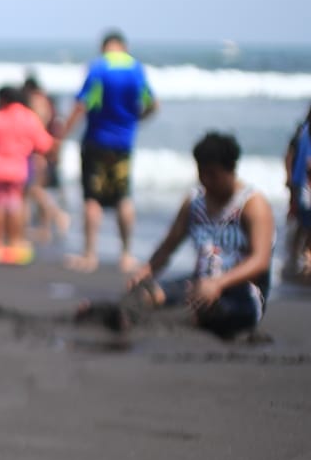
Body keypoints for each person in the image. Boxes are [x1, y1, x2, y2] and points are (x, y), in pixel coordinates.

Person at [104, 132, 273, 339]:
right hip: (199, 283)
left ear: (230, 170)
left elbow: (260, 261)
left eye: (213, 174)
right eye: (202, 173)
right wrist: (146, 270)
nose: (206, 180)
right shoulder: (195, 203)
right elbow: (169, 246)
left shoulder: (252, 205)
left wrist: (218, 284)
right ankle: (115, 316)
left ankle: (178, 320)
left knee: (215, 312)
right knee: (143, 293)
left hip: (241, 292)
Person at [57, 30, 158, 273]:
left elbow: (81, 104)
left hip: (96, 140)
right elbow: (152, 104)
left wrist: (61, 136)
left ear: (104, 47)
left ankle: (90, 255)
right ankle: (125, 255)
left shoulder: (98, 68)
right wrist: (135, 122)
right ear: (124, 46)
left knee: (93, 199)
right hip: (124, 143)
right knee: (123, 197)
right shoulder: (136, 69)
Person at [0, 86, 54, 249]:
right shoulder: (29, 117)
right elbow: (44, 143)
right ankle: (15, 241)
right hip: (19, 167)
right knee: (15, 204)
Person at [21, 74, 69, 243]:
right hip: (46, 149)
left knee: (34, 189)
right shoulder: (47, 100)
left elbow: (38, 127)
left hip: (39, 150)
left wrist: (38, 151)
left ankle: (56, 218)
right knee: (33, 190)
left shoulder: (37, 101)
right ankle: (43, 227)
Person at [282, 103, 311, 281]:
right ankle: (295, 262)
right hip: (302, 186)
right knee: (301, 223)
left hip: (302, 185)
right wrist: (290, 177)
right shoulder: (302, 131)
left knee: (305, 226)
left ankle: (299, 263)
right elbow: (289, 155)